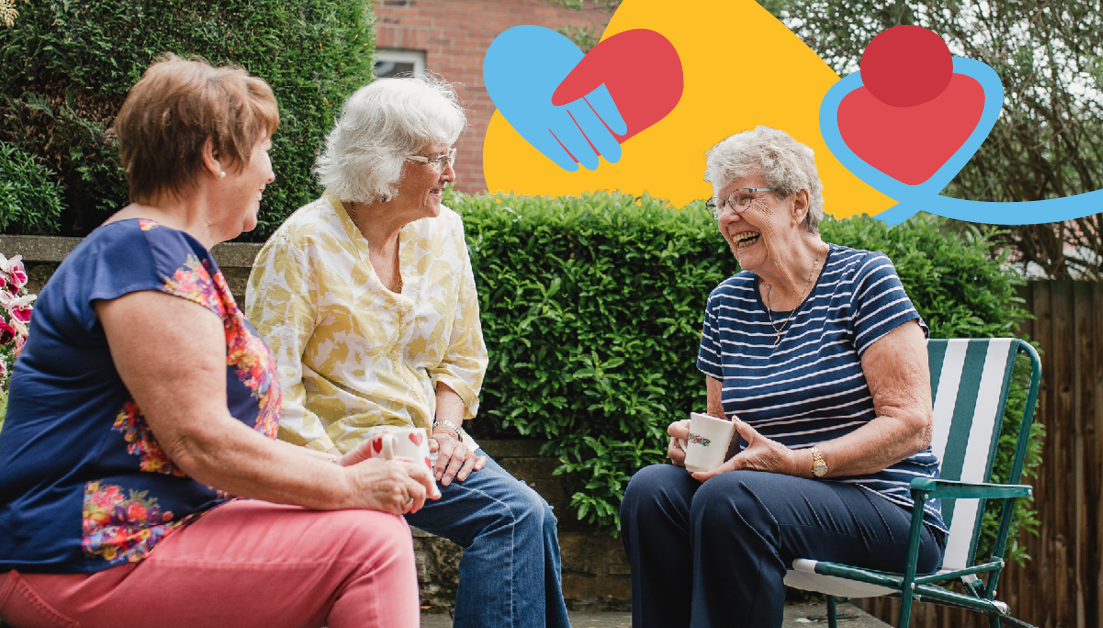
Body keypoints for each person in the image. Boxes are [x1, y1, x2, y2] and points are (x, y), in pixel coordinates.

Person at [0, 55, 439, 628]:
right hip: (77, 559)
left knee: (365, 530)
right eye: (264, 150)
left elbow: (210, 442)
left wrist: (332, 468)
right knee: (369, 545)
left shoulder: (167, 254)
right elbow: (201, 439)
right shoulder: (141, 252)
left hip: (141, 538)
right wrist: (345, 482)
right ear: (216, 155)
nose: (272, 173)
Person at [245, 76, 569, 628]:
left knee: (527, 515)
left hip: (424, 443)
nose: (450, 174)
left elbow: (464, 355)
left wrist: (447, 432)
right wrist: (342, 475)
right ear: (384, 165)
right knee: (510, 518)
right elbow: (272, 388)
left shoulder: (443, 232)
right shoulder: (301, 245)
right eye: (437, 159)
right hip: (336, 455)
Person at [620, 126, 948, 628]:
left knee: (731, 499)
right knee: (652, 492)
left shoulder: (864, 279)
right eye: (719, 204)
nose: (728, 217)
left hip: (887, 508)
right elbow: (724, 430)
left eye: (743, 198)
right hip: (770, 497)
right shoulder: (726, 303)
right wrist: (702, 446)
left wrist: (797, 463)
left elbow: (910, 425)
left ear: (798, 205)